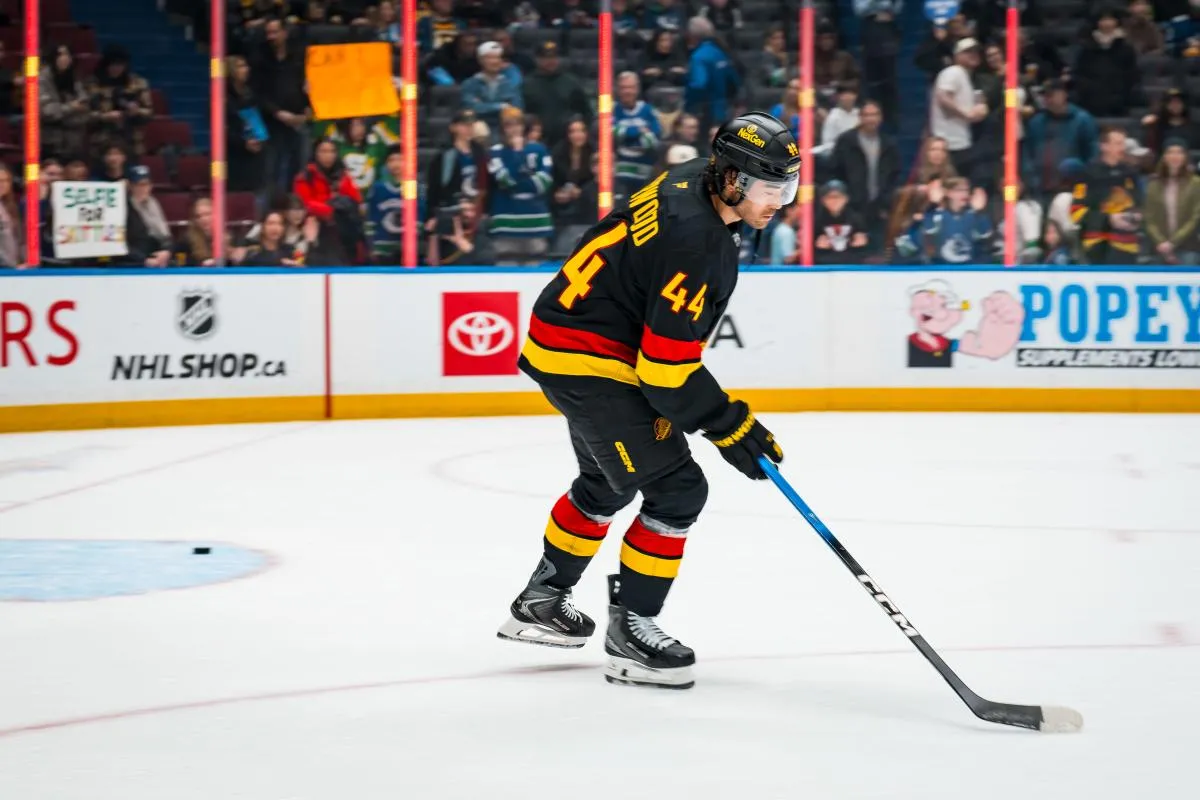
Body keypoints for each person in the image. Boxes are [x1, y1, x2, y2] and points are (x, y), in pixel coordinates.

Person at [497, 112, 799, 690]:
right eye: (770, 187)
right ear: (733, 180)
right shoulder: (699, 240)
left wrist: (717, 419)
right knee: (678, 489)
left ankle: (542, 600)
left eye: (787, 186)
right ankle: (632, 631)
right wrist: (730, 425)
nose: (780, 201)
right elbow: (664, 370)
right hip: (590, 358)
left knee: (609, 481)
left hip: (565, 337)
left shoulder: (693, 181)